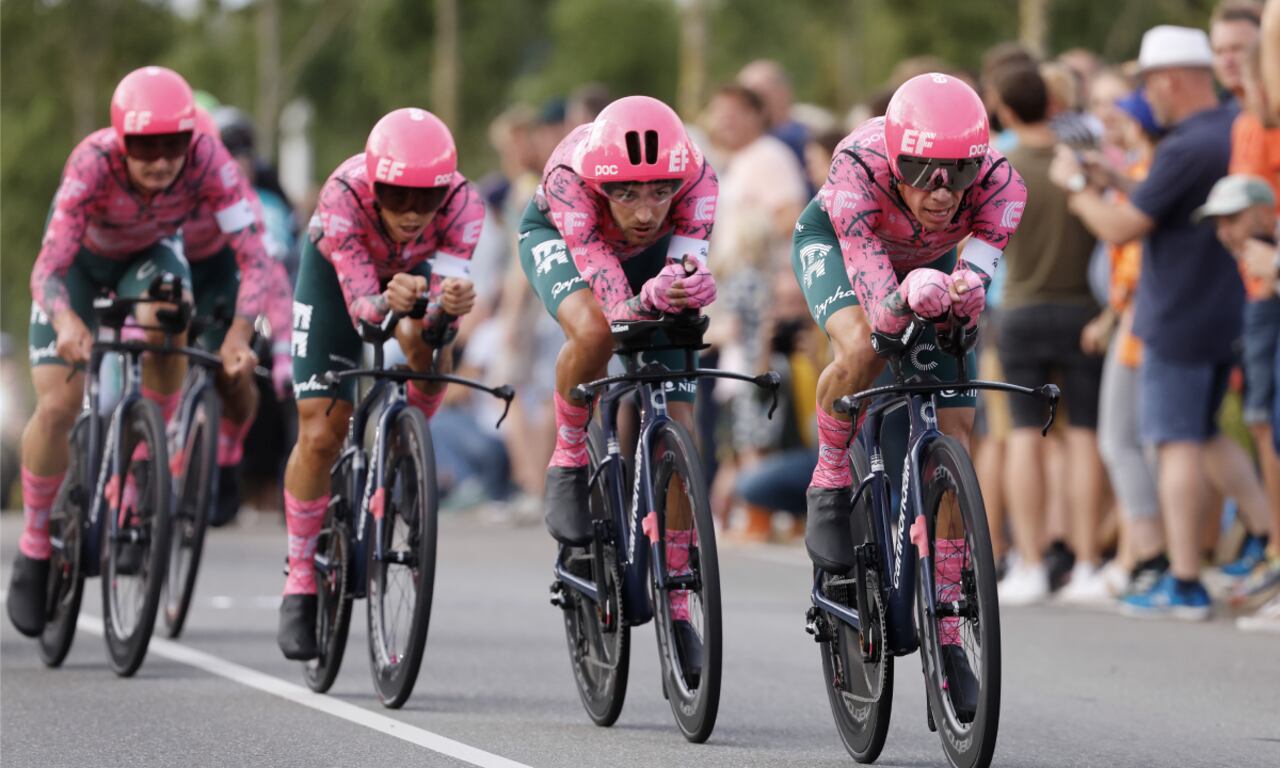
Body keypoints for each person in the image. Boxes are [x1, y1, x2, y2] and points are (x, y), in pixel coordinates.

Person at [792, 73, 1026, 716]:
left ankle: (948, 625)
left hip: (930, 268)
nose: (943, 191)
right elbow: (883, 317)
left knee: (956, 426)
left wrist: (965, 290)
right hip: (845, 252)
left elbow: (970, 293)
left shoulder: (1004, 186)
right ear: (895, 158)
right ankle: (832, 468)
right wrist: (906, 296)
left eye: (958, 172)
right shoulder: (855, 169)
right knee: (864, 350)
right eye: (922, 171)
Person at [8, 66, 268, 636]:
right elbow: (49, 268)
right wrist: (65, 319)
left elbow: (256, 256)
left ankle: (144, 462)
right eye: (144, 147)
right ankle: (33, 543)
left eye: (172, 144)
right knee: (56, 405)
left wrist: (239, 334)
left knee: (169, 312)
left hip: (150, 258)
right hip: (79, 267)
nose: (160, 160)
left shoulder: (208, 160)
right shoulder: (90, 162)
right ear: (121, 141)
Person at [1050, 26, 1270, 619]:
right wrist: (1114, 180)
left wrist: (1076, 189)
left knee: (1170, 442)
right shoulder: (1224, 128)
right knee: (1203, 433)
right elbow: (1161, 198)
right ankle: (1265, 538)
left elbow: (1125, 227)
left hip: (1177, 312)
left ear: (1171, 79)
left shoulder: (1184, 145)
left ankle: (1185, 578)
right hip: (1224, 306)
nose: (1148, 98)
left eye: (1149, 85)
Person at [517, 95, 718, 668]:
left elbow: (686, 266)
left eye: (661, 190)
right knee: (595, 334)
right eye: (626, 191)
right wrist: (638, 303)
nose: (648, 208)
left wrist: (684, 287)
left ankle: (679, 599)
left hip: (648, 261)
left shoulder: (700, 177)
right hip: (565, 242)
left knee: (681, 419)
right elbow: (608, 290)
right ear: (602, 182)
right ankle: (569, 449)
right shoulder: (567, 175)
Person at [277, 108, 483, 659]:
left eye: (427, 199)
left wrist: (448, 307)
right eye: (397, 197)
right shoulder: (343, 193)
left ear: (447, 191)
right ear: (374, 184)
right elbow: (366, 318)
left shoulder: (465, 204)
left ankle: (402, 451)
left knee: (428, 349)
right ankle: (299, 578)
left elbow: (439, 329)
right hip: (339, 282)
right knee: (321, 431)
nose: (414, 212)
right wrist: (387, 302)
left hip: (412, 282)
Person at [986, 64, 1107, 605]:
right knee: (1083, 437)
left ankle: (1030, 562)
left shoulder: (1000, 165)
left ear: (1007, 109)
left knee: (1022, 436)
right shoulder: (1077, 158)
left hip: (1020, 311)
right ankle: (1084, 563)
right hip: (1083, 309)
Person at [181, 106, 291, 526]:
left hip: (228, 284)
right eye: (229, 149)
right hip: (172, 275)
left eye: (243, 151)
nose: (236, 159)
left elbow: (272, 273)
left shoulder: (262, 201)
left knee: (239, 372)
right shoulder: (168, 188)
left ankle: (225, 465)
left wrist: (281, 352)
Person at [1193, 174, 1280, 632]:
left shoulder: (1267, 249)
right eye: (1219, 222)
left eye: (1234, 218)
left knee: (1269, 429)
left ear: (1267, 211)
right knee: (1264, 429)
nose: (1226, 231)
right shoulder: (1249, 257)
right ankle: (1273, 552)